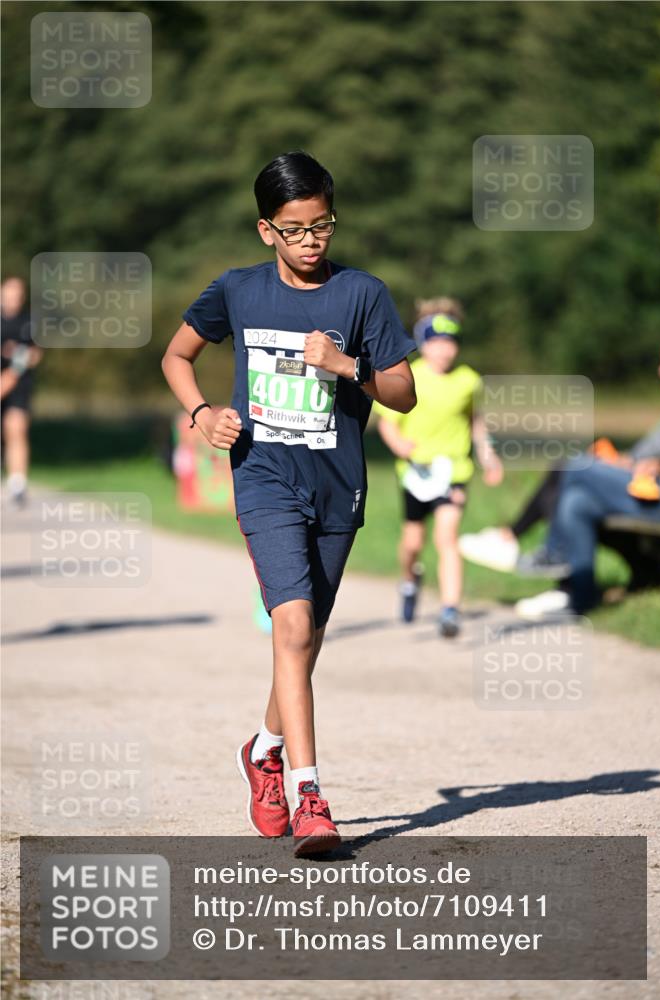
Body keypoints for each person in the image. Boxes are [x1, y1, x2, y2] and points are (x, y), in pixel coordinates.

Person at [161, 151, 416, 855]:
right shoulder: (238, 291)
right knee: (293, 626)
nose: (312, 240)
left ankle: (264, 750)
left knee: (303, 643)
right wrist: (202, 414)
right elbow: (175, 357)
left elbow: (403, 393)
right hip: (263, 477)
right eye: (295, 229)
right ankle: (310, 797)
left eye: (322, 225)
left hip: (338, 485)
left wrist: (346, 366)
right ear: (265, 230)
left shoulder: (362, 295)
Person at [460, 342, 660, 617]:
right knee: (577, 501)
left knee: (571, 465)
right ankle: (579, 594)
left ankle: (538, 546)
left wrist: (659, 469)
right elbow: (642, 458)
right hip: (645, 489)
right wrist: (626, 462)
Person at [375, 298, 503, 637]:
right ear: (422, 342)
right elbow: (387, 423)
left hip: (454, 471)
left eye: (451, 342)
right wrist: (400, 446)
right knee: (413, 543)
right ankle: (409, 580)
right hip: (415, 473)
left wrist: (488, 457)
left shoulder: (468, 381)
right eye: (437, 342)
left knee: (447, 538)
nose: (445, 350)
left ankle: (449, 609)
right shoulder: (408, 376)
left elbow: (477, 423)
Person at [1, 276, 43, 508]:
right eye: (9, 293)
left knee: (15, 427)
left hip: (18, 383)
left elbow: (35, 354)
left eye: (17, 294)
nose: (13, 298)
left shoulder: (29, 322)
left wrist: (12, 374)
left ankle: (17, 484)